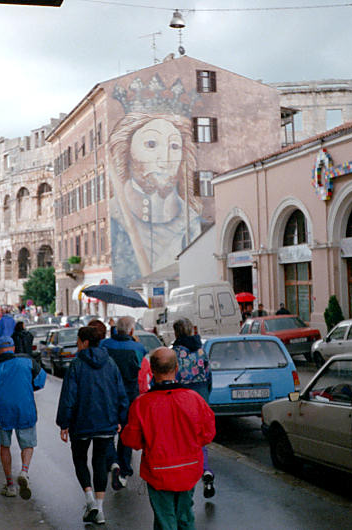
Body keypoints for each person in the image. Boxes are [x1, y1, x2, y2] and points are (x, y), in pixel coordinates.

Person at [108, 86, 204, 287]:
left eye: (174, 147)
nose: (165, 160)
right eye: (151, 145)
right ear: (126, 152)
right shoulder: (116, 218)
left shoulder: (194, 223)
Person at [121, 347, 216, 530]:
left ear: (152, 371)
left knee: (165, 520)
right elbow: (208, 434)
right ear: (177, 368)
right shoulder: (194, 399)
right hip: (189, 468)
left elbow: (132, 440)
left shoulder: (142, 404)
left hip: (158, 470)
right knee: (186, 517)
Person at [56, 325, 128, 525]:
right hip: (106, 421)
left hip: (81, 423)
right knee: (99, 462)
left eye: (79, 341)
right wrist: (120, 418)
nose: (77, 345)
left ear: (85, 342)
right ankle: (100, 508)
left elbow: (68, 396)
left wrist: (64, 422)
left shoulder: (77, 365)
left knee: (80, 459)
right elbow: (120, 393)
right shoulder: (111, 363)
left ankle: (89, 501)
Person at [0, 336, 46, 499]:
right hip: (26, 409)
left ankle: (10, 485)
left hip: (2, 413)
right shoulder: (28, 362)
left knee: (4, 445)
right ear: (14, 349)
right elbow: (41, 380)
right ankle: (24, 471)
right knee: (28, 444)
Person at [100, 316, 146, 490]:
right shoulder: (138, 347)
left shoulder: (105, 345)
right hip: (129, 395)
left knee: (108, 430)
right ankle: (125, 469)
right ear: (132, 331)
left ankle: (112, 461)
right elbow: (140, 366)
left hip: (108, 393)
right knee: (126, 431)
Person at [172, 318, 215, 498]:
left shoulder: (174, 353)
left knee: (181, 437)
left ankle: (186, 475)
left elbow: (172, 378)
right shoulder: (201, 351)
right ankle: (205, 469)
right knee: (199, 437)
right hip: (201, 395)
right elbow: (208, 375)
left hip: (181, 396)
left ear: (176, 333)